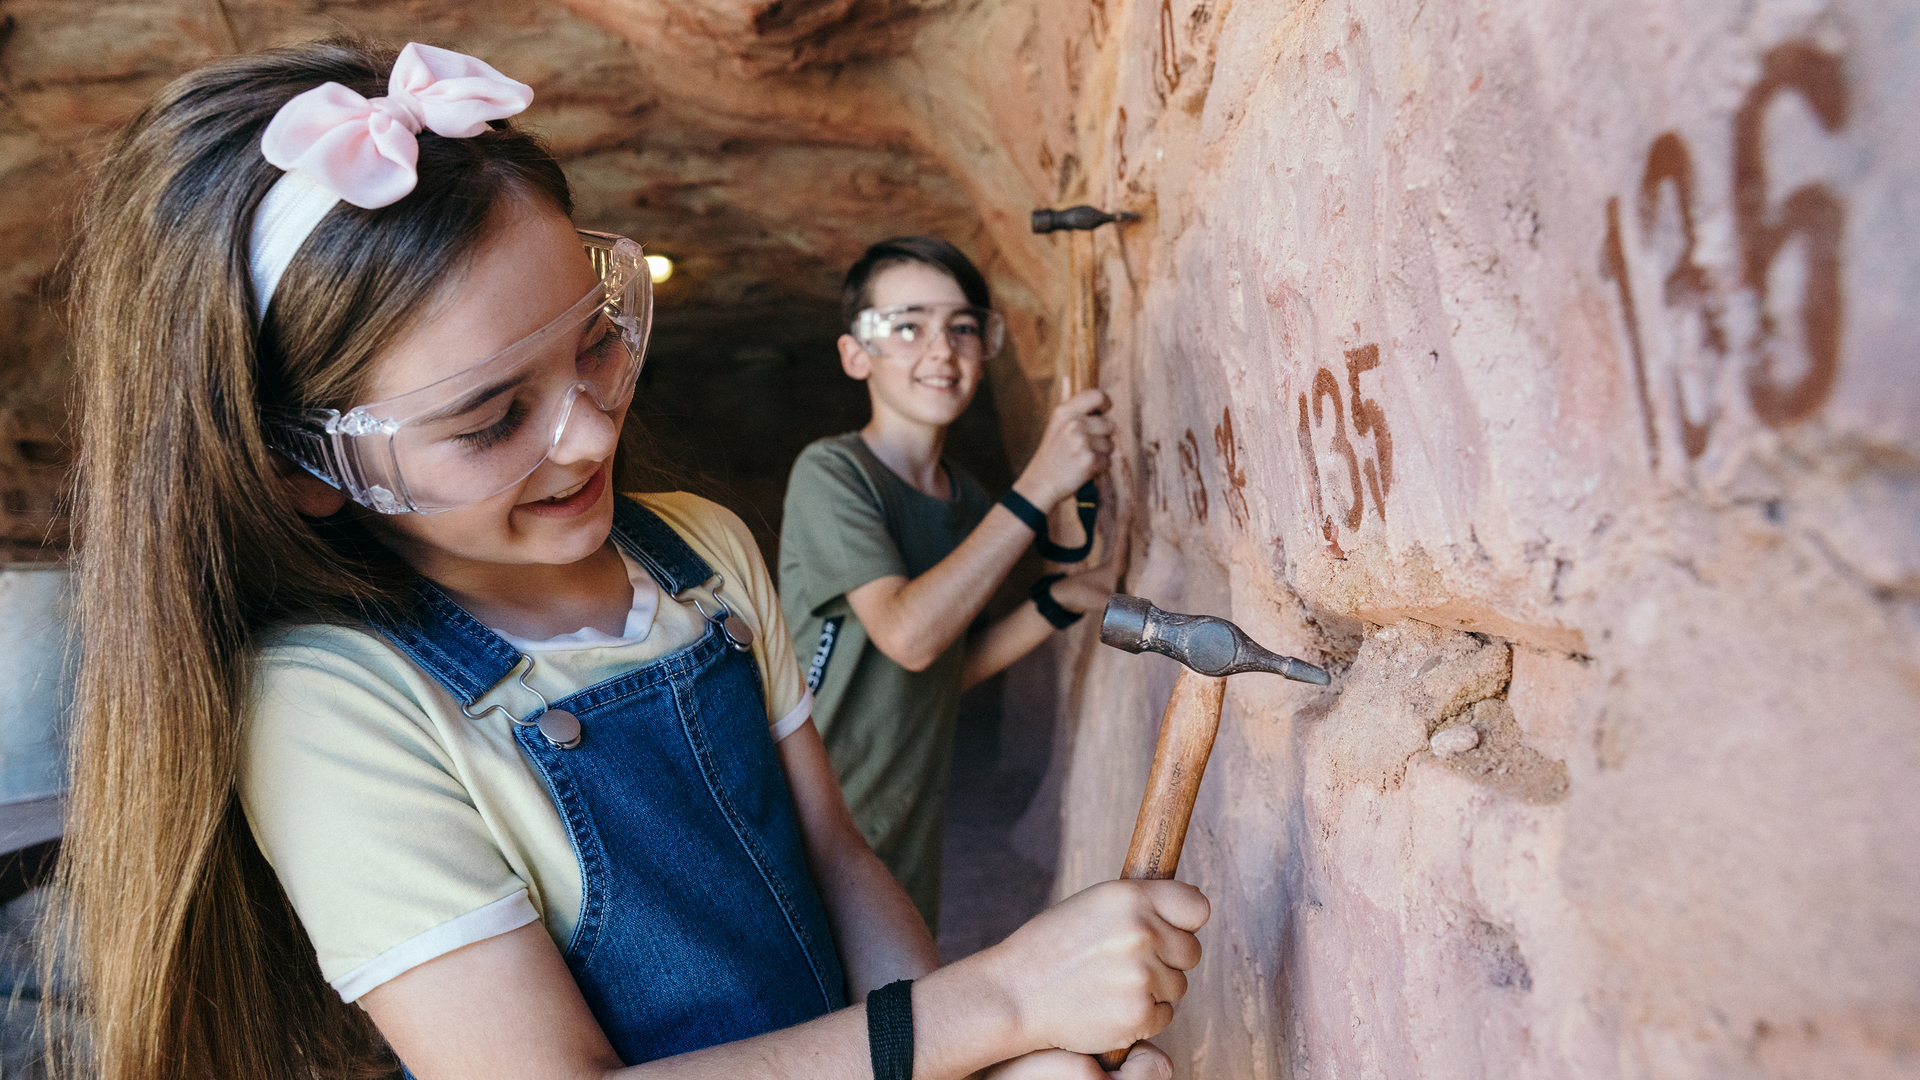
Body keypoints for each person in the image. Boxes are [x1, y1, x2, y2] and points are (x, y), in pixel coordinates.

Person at [52, 37, 1209, 1080]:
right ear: (301, 466)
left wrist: (974, 1065)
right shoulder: (331, 705)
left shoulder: (699, 552)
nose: (595, 432)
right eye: (490, 418)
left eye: (597, 344)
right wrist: (997, 1004)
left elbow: (839, 858)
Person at [779, 238, 1119, 931]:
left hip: (903, 823)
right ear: (855, 354)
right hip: (810, 827)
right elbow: (907, 635)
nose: (942, 351)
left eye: (962, 327)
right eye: (907, 327)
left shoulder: (965, 500)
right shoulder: (832, 473)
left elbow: (942, 670)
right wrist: (1038, 486)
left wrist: (1057, 603)